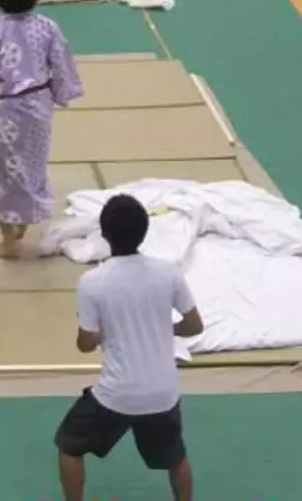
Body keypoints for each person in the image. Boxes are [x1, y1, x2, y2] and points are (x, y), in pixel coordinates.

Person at [55, 194, 203, 501]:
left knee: (69, 445)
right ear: (145, 231)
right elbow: (194, 326)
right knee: (175, 458)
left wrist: (95, 333)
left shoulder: (92, 282)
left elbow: (85, 344)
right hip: (164, 394)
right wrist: (165, 328)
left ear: (105, 234)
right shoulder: (169, 273)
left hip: (116, 395)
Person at [0, 0, 84, 258]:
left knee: (1, 170)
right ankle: (24, 221)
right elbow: (61, 62)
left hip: (7, 108)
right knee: (32, 163)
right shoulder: (48, 27)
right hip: (39, 104)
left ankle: (10, 238)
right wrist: (63, 93)